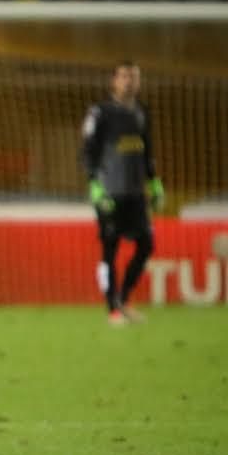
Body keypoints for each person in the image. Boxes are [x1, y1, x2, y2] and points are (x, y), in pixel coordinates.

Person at [81, 61, 163, 325]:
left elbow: (146, 150)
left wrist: (154, 183)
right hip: (109, 192)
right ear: (113, 81)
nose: (130, 81)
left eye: (135, 77)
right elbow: (88, 150)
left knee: (146, 245)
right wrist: (94, 184)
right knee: (110, 249)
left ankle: (123, 300)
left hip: (135, 193)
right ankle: (112, 310)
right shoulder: (100, 113)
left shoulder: (141, 112)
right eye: (125, 76)